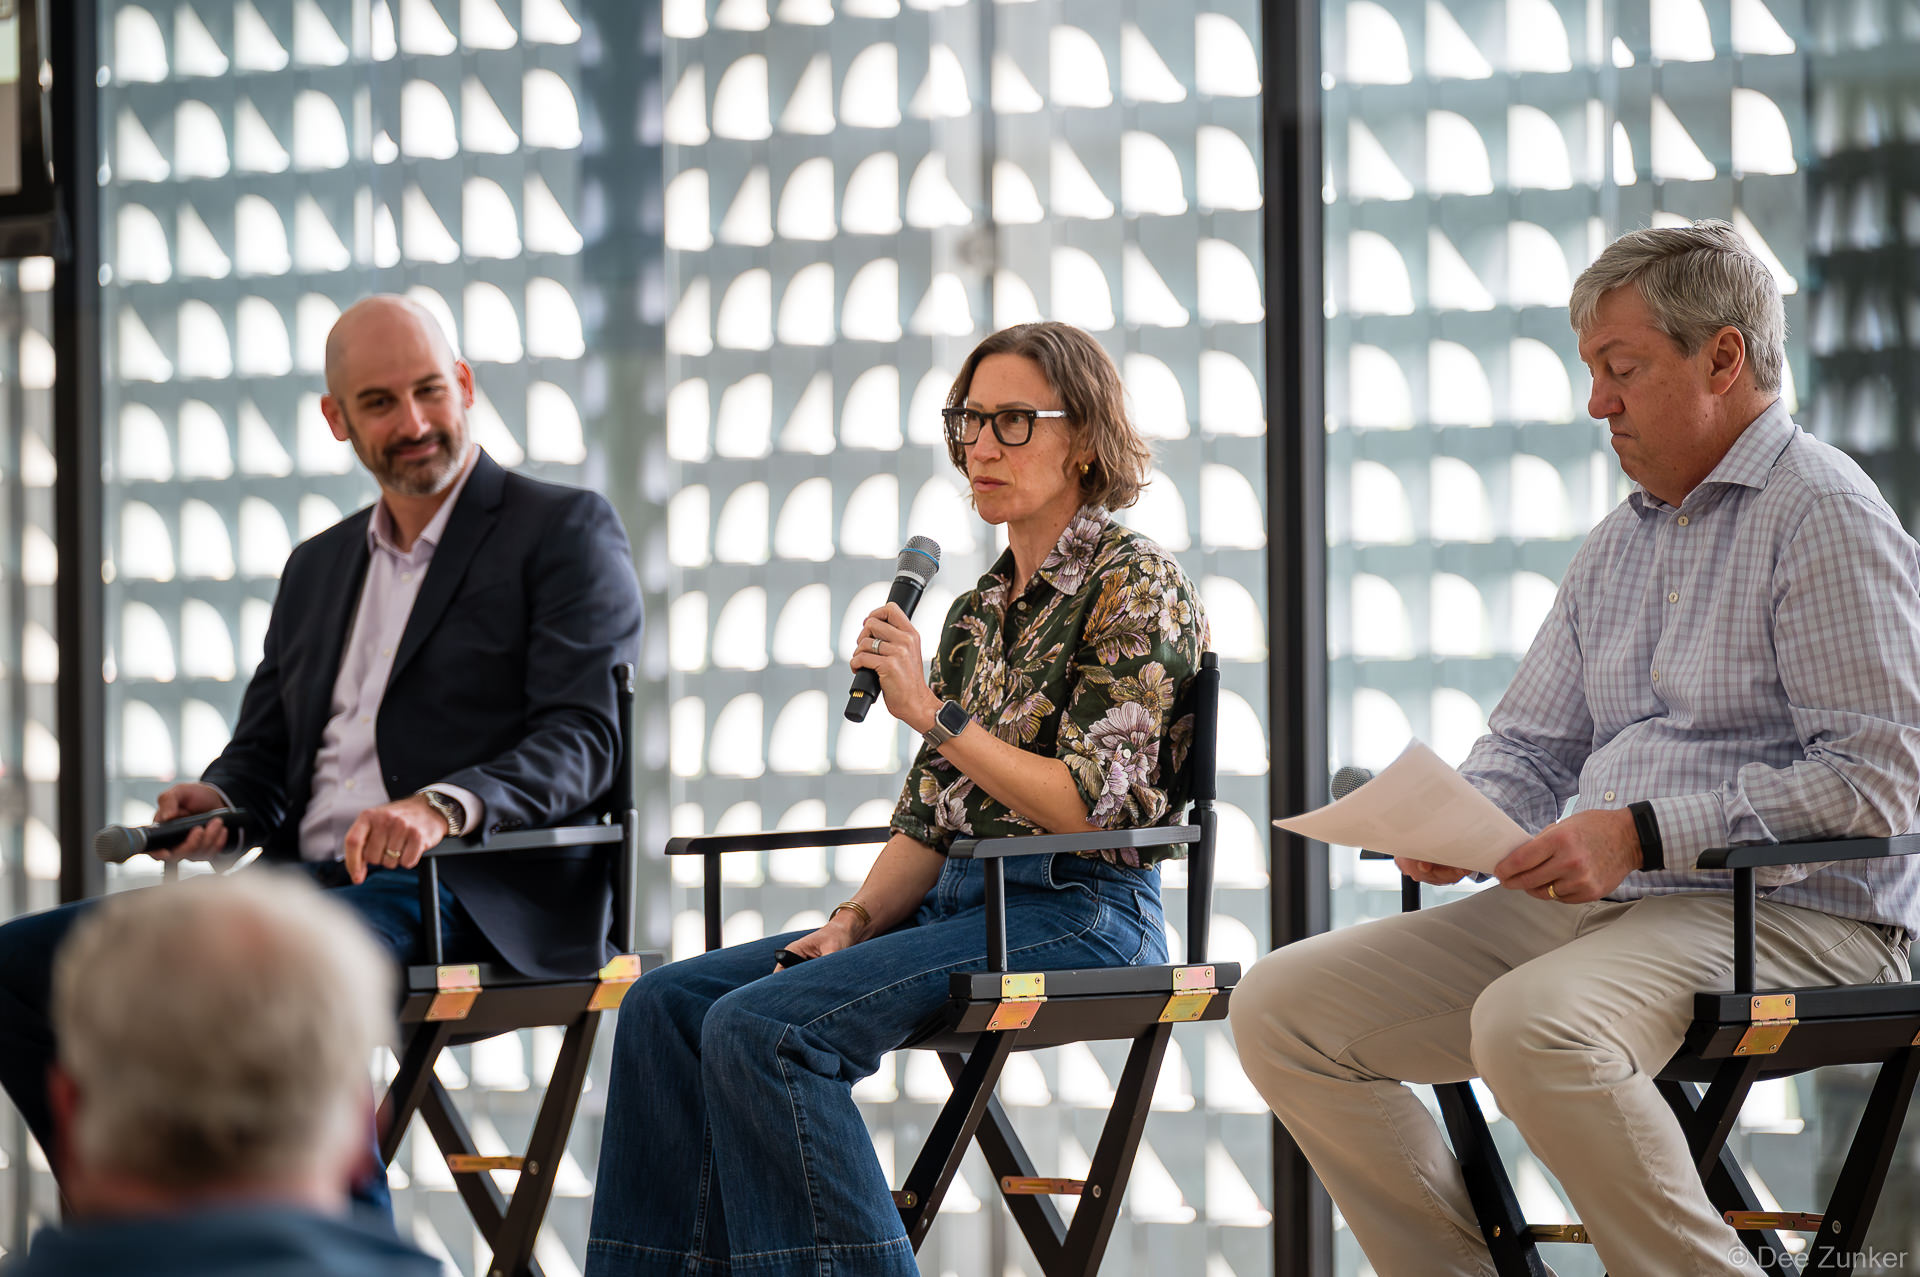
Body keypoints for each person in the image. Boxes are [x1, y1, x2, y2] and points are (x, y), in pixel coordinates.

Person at [1230, 220, 1920, 1276]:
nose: (1597, 400)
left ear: (1723, 358)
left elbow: (1882, 781)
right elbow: (1531, 742)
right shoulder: (1622, 541)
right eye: (1593, 369)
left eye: (1621, 367)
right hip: (1614, 911)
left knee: (1530, 1023)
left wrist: (1641, 832)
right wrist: (1455, 819)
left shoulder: (1823, 513)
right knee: (1280, 1007)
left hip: (1798, 914)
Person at [584, 321, 1210, 1277]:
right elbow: (929, 823)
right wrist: (852, 919)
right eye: (968, 420)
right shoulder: (971, 611)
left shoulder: (1138, 584)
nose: (981, 447)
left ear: (1083, 435)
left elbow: (1095, 809)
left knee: (763, 1029)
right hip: (963, 904)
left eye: (1012, 421)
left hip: (1083, 908)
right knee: (667, 1005)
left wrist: (933, 712)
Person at [0, 295, 644, 1213]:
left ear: (463, 385)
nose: (414, 422)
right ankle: (134, 1226)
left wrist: (439, 805)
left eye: (429, 390)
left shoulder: (562, 530)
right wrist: (218, 805)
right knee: (24, 968)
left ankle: (353, 1255)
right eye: (379, 403)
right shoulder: (317, 566)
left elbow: (582, 740)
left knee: (272, 964)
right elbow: (265, 758)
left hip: (474, 883)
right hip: (305, 882)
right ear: (337, 420)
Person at [0, 872, 440, 1277]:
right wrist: (228, 794)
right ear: (366, 1123)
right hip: (294, 865)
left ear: (69, 1113)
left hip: (427, 880)